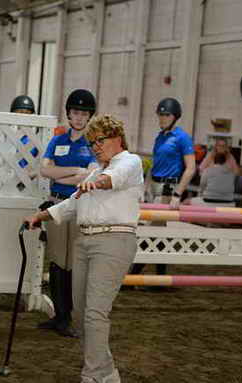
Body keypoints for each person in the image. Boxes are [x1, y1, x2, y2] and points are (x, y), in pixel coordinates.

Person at [25, 114, 143, 383]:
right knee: (79, 314)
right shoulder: (94, 170)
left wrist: (95, 182)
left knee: (95, 312)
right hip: (85, 240)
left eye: (100, 140)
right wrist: (39, 216)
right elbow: (71, 205)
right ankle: (106, 372)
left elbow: (114, 179)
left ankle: (91, 376)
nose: (95, 146)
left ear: (117, 137)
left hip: (114, 240)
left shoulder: (130, 162)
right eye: (92, 142)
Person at [37, 89, 97, 337]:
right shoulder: (57, 140)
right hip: (55, 203)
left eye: (83, 113)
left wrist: (62, 172)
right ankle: (59, 315)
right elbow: (44, 171)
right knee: (56, 260)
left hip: (77, 205)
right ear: (69, 114)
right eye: (75, 112)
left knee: (72, 262)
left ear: (89, 116)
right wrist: (75, 171)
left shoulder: (92, 143)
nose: (79, 117)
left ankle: (69, 316)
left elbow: (91, 174)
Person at [135, 97, 196, 277]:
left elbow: (191, 168)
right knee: (157, 231)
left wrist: (178, 194)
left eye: (166, 115)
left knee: (152, 229)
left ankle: (134, 274)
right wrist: (144, 187)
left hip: (168, 187)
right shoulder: (160, 137)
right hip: (154, 184)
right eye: (160, 115)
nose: (162, 118)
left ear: (175, 117)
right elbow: (154, 164)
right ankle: (161, 276)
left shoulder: (183, 138)